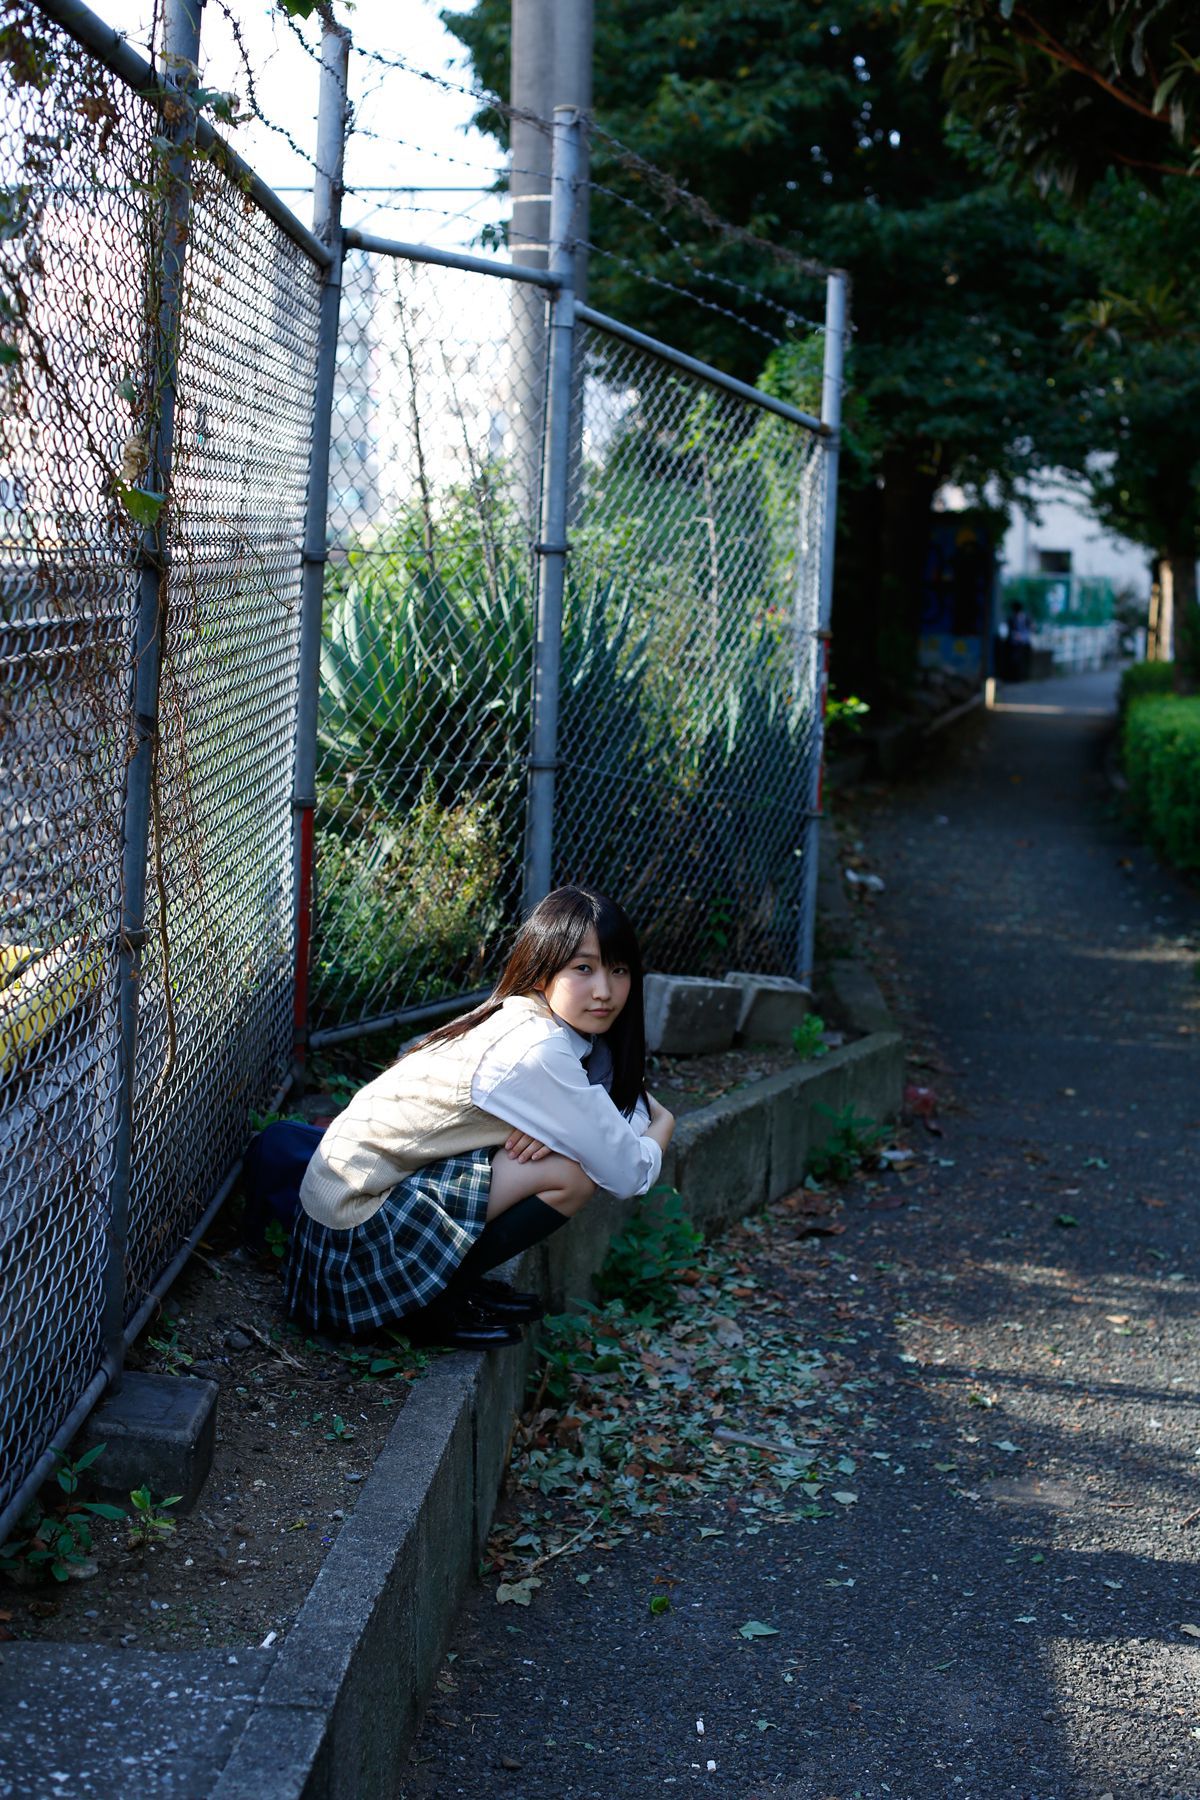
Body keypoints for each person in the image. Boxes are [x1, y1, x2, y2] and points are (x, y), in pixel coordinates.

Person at [284, 886, 675, 1350]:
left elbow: (612, 1114)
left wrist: (571, 1132)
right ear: (542, 968)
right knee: (571, 1174)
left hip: (340, 1222)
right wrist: (665, 1122)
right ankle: (430, 1304)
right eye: (583, 968)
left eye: (619, 970)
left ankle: (451, 1285)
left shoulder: (529, 1018)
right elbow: (628, 1171)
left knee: (564, 1154)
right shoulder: (538, 1051)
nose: (605, 991)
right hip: (352, 1246)